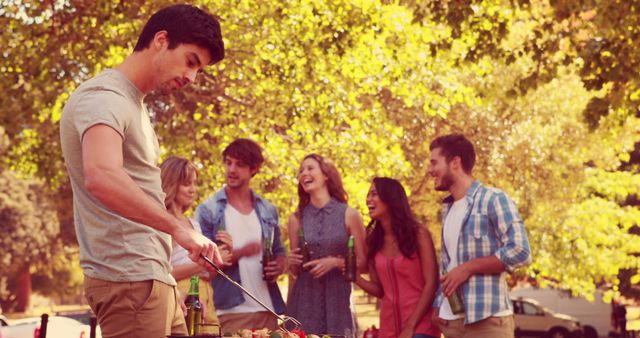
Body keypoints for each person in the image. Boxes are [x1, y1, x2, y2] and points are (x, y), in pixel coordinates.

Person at [59, 5, 225, 337]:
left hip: (151, 278)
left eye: (199, 71)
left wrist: (165, 280)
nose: (192, 78)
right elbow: (102, 175)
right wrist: (180, 230)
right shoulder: (104, 96)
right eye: (191, 61)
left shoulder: (133, 105)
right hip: (128, 279)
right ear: (161, 41)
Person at [428, 134, 532, 338]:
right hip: (453, 323)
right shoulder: (448, 209)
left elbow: (521, 251)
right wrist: (438, 305)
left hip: (488, 322)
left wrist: (468, 268)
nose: (430, 170)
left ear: (455, 162)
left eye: (434, 163)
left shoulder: (493, 199)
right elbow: (450, 266)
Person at [196, 139, 287, 333]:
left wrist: (278, 265)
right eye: (228, 162)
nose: (232, 169)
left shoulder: (268, 209)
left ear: (254, 168)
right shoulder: (208, 210)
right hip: (229, 311)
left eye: (240, 164)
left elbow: (280, 252)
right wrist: (242, 252)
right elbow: (202, 267)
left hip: (268, 308)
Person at [286, 154, 366, 335]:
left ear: (326, 175)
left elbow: (364, 263)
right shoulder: (295, 218)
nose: (304, 173)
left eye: (310, 168)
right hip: (303, 305)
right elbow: (294, 273)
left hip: (338, 303)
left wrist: (336, 263)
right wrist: (292, 264)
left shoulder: (350, 215)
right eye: (301, 170)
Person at [355, 177, 440, 338]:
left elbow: (431, 283)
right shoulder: (373, 242)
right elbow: (380, 289)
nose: (368, 199)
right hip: (389, 329)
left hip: (421, 326)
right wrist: (355, 277)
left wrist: (411, 326)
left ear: (390, 199)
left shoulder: (418, 234)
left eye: (374, 194)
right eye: (368, 195)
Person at [160, 156, 234, 327]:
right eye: (187, 184)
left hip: (206, 296)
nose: (193, 190)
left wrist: (218, 259)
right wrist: (201, 264)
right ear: (171, 184)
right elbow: (163, 273)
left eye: (194, 184)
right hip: (181, 298)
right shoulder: (164, 222)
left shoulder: (194, 225)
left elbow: (207, 275)